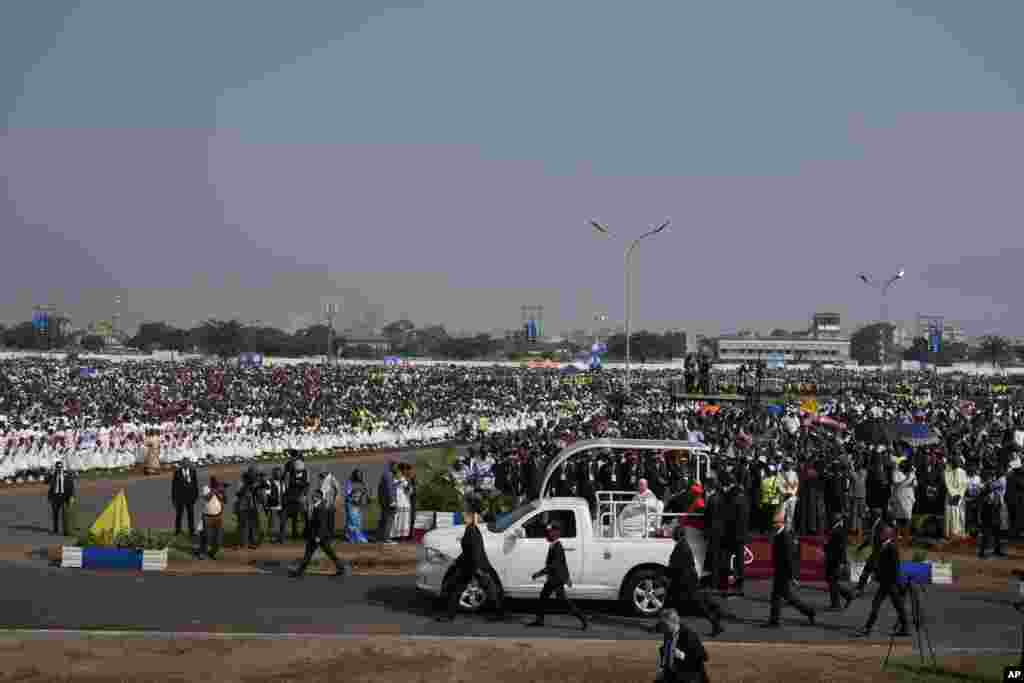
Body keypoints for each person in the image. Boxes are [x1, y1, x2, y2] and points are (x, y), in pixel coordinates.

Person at [436, 495, 503, 623]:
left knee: (488, 589)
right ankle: (449, 615)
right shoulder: (471, 528)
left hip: (475, 565)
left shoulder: (472, 529)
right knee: (458, 588)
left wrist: (478, 569)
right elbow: (469, 550)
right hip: (470, 564)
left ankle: (499, 613)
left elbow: (475, 550)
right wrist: (458, 561)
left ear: (470, 512)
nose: (462, 513)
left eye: (464, 508)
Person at [664, 525, 724, 638]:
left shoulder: (682, 547)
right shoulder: (681, 545)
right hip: (683, 580)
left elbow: (677, 566)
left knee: (698, 605)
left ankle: (716, 624)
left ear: (679, 534)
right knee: (668, 603)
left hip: (686, 582)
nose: (673, 535)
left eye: (675, 533)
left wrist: (668, 575)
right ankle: (661, 626)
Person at [527, 521, 588, 631]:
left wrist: (539, 573)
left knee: (561, 601)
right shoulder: (554, 545)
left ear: (556, 533)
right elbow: (563, 564)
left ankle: (582, 618)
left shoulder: (557, 547)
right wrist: (567, 577)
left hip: (556, 579)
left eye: (550, 532)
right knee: (544, 597)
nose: (547, 534)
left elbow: (554, 565)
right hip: (554, 578)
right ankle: (540, 620)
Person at [763, 508, 815, 628]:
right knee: (783, 596)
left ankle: (775, 621)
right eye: (773, 522)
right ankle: (808, 612)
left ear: (781, 523)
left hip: (783, 572)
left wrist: (792, 577)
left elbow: (789, 558)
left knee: (780, 596)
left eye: (775, 523)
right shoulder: (779, 534)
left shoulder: (785, 536)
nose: (773, 525)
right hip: (780, 570)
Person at [856, 526, 909, 637]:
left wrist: (893, 581)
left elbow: (895, 568)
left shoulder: (892, 548)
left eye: (882, 533)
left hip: (889, 582)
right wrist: (876, 572)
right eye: (881, 533)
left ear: (888, 535)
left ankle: (867, 628)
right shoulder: (882, 546)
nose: (880, 535)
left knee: (882, 604)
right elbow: (879, 563)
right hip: (885, 582)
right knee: (895, 605)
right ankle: (905, 628)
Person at [288, 490, 351, 578]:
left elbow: (322, 524)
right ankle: (299, 571)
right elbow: (311, 520)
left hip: (319, 536)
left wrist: (318, 536)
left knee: (324, 553)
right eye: (313, 496)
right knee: (314, 554)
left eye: (314, 496)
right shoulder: (316, 506)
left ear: (319, 497)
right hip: (315, 535)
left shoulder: (321, 507)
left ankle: (341, 568)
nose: (312, 497)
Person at [654, 608, 711, 683]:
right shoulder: (668, 633)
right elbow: (666, 654)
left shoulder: (689, 635)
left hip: (691, 676)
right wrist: (662, 669)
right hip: (674, 673)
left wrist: (682, 655)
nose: (662, 627)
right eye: (662, 625)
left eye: (664, 625)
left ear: (674, 622)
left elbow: (704, 656)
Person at [824, 513, 854, 611]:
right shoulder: (834, 529)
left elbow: (841, 548)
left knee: (832, 581)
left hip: (835, 560)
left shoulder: (839, 530)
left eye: (834, 519)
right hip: (831, 559)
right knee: (831, 580)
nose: (832, 520)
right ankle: (848, 595)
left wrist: (842, 562)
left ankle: (836, 604)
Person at [855, 508, 887, 594]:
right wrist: (861, 547)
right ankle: (860, 587)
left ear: (875, 515)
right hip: (876, 553)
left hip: (879, 553)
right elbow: (871, 538)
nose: (869, 516)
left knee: (871, 570)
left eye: (871, 515)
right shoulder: (876, 524)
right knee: (870, 570)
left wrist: (879, 553)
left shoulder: (881, 525)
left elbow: (882, 540)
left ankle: (860, 588)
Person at [198, 477, 226, 560]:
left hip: (218, 517)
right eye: (216, 483)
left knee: (219, 538)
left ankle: (212, 552)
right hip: (207, 517)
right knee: (206, 537)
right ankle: (202, 553)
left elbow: (225, 501)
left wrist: (222, 492)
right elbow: (207, 498)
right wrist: (215, 490)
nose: (218, 485)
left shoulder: (219, 491)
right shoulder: (206, 488)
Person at [171, 457, 199, 536]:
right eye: (184, 463)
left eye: (188, 463)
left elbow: (195, 484)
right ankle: (178, 531)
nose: (186, 464)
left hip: (190, 497)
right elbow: (174, 487)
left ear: (189, 464)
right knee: (179, 515)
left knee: (191, 515)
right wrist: (174, 499)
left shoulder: (193, 472)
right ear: (182, 464)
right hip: (180, 498)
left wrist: (196, 495)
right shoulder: (177, 473)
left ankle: (192, 531)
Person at [46, 462, 75, 536]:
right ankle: (55, 529)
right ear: (56, 468)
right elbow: (46, 482)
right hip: (55, 497)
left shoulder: (67, 475)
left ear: (62, 467)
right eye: (58, 467)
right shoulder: (53, 475)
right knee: (55, 514)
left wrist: (72, 496)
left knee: (65, 515)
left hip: (64, 497)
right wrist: (49, 473)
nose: (59, 469)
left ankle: (66, 531)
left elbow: (71, 486)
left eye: (60, 467)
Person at [943, 455, 967, 540]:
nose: (957, 462)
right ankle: (949, 533)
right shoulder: (947, 471)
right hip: (950, 496)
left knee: (959, 515)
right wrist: (953, 494)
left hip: (959, 497)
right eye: (955, 461)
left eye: (958, 461)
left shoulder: (962, 472)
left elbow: (964, 485)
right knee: (949, 514)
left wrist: (959, 495)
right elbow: (947, 483)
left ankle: (958, 532)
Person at [344, 469, 370, 543]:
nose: (359, 476)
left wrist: (366, 496)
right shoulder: (350, 483)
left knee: (358, 521)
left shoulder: (362, 483)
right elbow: (348, 494)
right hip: (351, 504)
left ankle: (357, 535)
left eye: (360, 475)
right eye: (358, 475)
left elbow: (366, 492)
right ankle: (351, 536)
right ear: (354, 475)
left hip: (359, 504)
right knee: (352, 520)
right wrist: (355, 497)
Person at [377, 461, 397, 544]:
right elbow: (389, 489)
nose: (397, 469)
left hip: (384, 501)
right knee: (389, 519)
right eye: (396, 467)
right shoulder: (389, 475)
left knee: (384, 519)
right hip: (388, 502)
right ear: (392, 466)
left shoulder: (385, 475)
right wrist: (392, 501)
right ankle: (386, 538)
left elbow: (381, 488)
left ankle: (380, 537)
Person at [318, 470, 341, 539]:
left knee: (330, 519)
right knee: (324, 519)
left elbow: (338, 490)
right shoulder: (322, 480)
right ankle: (325, 534)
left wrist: (335, 501)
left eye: (322, 475)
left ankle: (330, 534)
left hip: (330, 502)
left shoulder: (332, 479)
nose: (320, 478)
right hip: (323, 503)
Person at [266, 467, 286, 544]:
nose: (278, 475)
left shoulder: (282, 482)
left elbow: (284, 493)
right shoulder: (269, 482)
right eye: (276, 473)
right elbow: (267, 494)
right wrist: (273, 500)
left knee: (283, 522)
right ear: (273, 474)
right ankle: (272, 538)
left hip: (282, 505)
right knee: (273, 523)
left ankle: (281, 538)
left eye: (279, 473)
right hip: (273, 506)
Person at [392, 464, 412, 541]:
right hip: (398, 501)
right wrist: (399, 482)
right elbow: (393, 487)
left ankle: (402, 535)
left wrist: (408, 483)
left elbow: (409, 491)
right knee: (396, 519)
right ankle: (394, 535)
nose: (400, 473)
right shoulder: (394, 479)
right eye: (399, 472)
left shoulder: (405, 480)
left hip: (405, 502)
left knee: (404, 519)